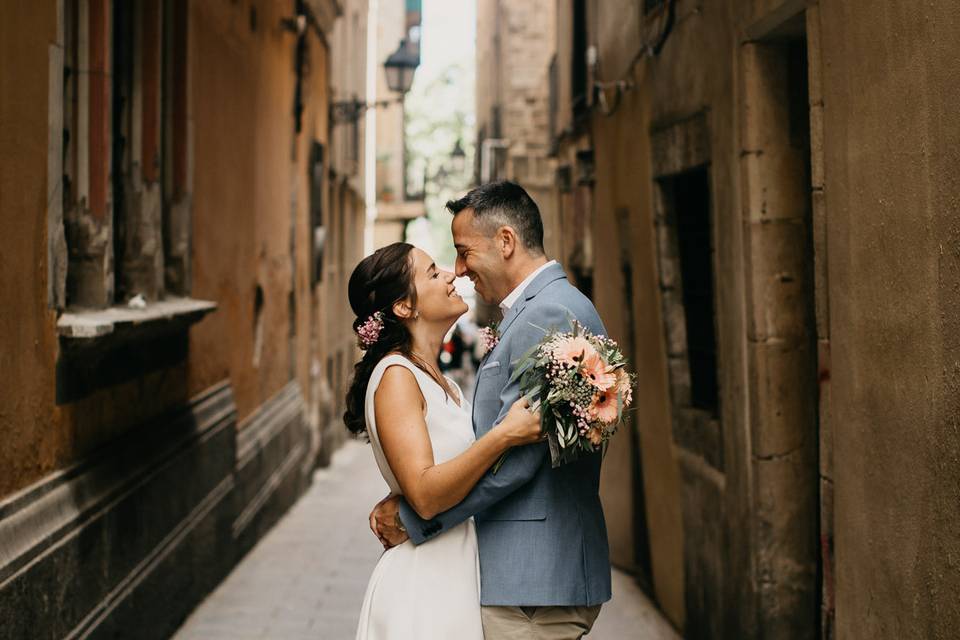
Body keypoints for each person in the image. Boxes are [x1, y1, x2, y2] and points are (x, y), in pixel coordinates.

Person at [369, 181, 612, 639]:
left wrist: (414, 516)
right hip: (528, 578)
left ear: (505, 241)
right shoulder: (543, 310)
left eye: (462, 252)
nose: (458, 270)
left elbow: (516, 462)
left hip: (534, 582)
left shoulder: (548, 315)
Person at [345, 241, 543, 639]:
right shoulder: (397, 375)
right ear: (405, 307)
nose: (452, 275)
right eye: (433, 273)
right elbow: (425, 494)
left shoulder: (444, 383)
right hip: (422, 585)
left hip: (453, 569)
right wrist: (504, 436)